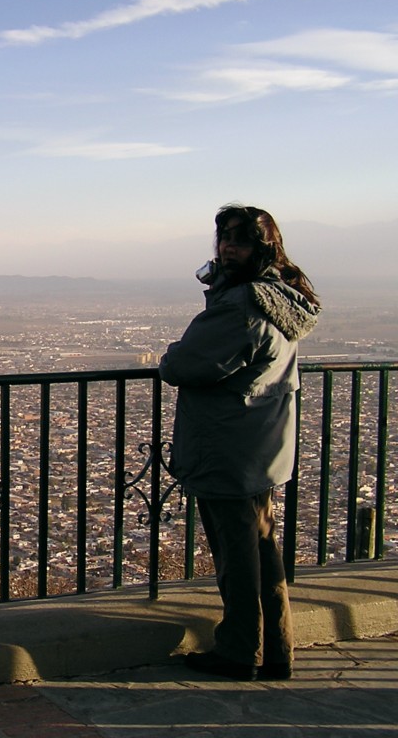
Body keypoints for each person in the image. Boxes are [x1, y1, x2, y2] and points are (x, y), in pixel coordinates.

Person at [159, 204, 320, 681]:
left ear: (262, 248)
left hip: (228, 444)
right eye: (225, 239)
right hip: (263, 443)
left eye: (240, 240)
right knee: (262, 547)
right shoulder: (282, 298)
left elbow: (184, 365)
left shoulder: (244, 305)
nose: (228, 247)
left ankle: (239, 649)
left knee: (236, 553)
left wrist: (171, 352)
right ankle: (276, 649)